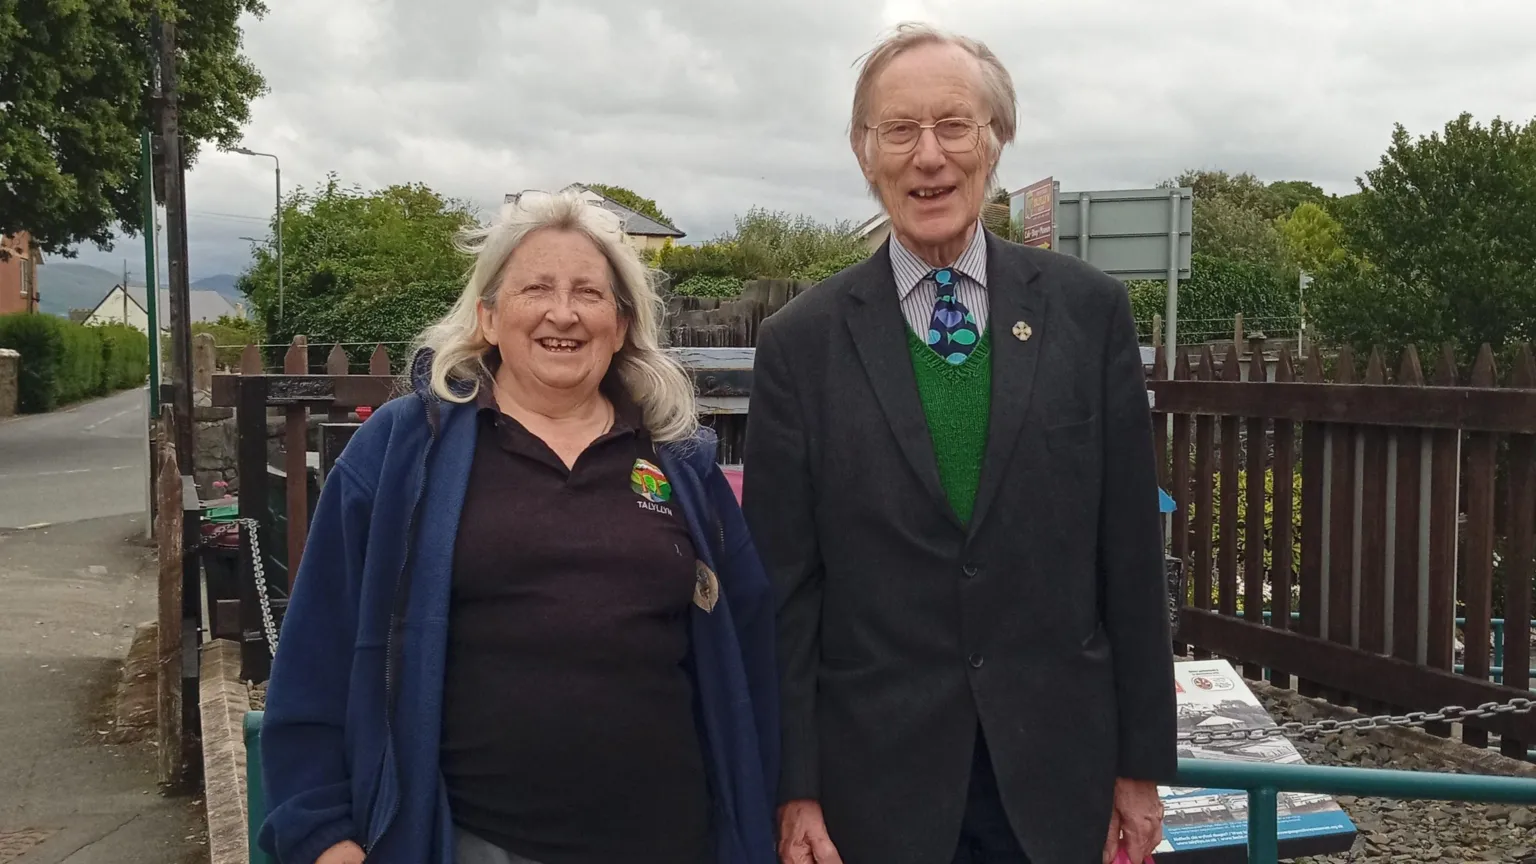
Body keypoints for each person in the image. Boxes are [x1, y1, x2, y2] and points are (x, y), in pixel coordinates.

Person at [741, 23, 1177, 864]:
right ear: (865, 154)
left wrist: (1139, 766)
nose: (928, 156)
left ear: (996, 141)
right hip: (875, 787)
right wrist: (793, 788)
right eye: (899, 130)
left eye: (955, 126)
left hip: (1056, 778)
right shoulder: (801, 344)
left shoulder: (1089, 316)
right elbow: (785, 593)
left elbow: (1128, 558)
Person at [257, 190, 779, 864]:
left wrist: (769, 808)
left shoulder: (678, 459)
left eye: (589, 293)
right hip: (475, 844)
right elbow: (317, 654)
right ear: (488, 317)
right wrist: (322, 835)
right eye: (537, 288)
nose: (564, 313)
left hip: (672, 840)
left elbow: (751, 643)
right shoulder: (404, 449)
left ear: (620, 324)